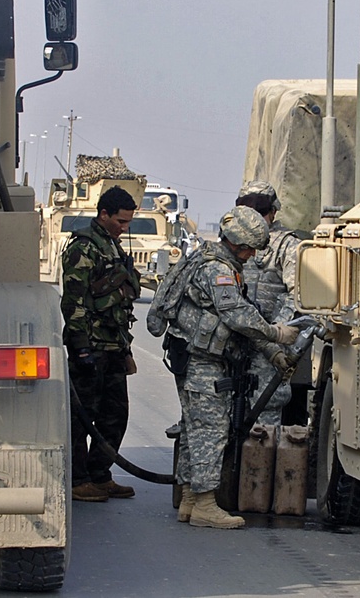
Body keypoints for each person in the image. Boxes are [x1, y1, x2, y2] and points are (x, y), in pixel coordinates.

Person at [164, 207, 300, 529]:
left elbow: (238, 323)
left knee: (193, 428)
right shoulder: (217, 271)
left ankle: (189, 499)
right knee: (211, 430)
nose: (253, 255)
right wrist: (277, 334)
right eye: (250, 248)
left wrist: (272, 353)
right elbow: (239, 316)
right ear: (238, 243)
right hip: (203, 364)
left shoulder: (220, 264)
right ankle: (205, 505)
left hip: (199, 361)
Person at [61, 186, 142, 502]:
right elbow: (74, 301)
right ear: (103, 214)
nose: (124, 228)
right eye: (120, 221)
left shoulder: (112, 247)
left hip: (113, 346)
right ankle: (78, 479)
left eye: (128, 223)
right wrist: (81, 347)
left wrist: (125, 349)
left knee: (114, 415)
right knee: (82, 418)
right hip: (91, 346)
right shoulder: (84, 248)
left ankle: (100, 474)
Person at [235, 181, 309, 426]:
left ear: (273, 212)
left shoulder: (287, 246)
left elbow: (296, 295)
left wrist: (275, 332)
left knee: (264, 415)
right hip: (237, 339)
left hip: (271, 345)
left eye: (259, 210)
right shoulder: (233, 241)